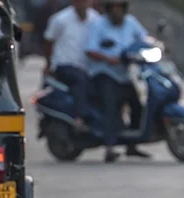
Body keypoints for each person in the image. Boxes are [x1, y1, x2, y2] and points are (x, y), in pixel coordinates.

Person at [85, 0, 151, 162]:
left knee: (138, 104)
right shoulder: (98, 24)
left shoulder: (131, 22)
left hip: (125, 74)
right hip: (105, 73)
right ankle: (109, 147)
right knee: (111, 105)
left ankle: (132, 145)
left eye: (120, 7)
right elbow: (90, 49)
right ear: (108, 8)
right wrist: (108, 59)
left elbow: (144, 39)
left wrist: (157, 45)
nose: (117, 11)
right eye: (114, 7)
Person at [43, 0, 99, 131]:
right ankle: (79, 117)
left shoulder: (95, 19)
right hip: (64, 66)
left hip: (88, 67)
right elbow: (49, 41)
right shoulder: (60, 19)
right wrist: (48, 64)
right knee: (79, 80)